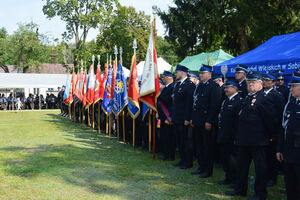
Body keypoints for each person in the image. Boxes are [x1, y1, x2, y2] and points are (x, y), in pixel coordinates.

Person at [226, 71, 275, 200]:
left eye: (253, 82)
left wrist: (271, 137)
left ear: (261, 84)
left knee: (260, 170)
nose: (250, 84)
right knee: (241, 167)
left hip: (259, 141)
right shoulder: (247, 98)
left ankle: (260, 193)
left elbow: (270, 120)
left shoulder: (264, 99)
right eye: (249, 82)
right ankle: (240, 189)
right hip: (244, 140)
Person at [190, 64, 222, 178]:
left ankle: (208, 170)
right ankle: (201, 167)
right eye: (200, 73)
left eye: (203, 73)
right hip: (198, 120)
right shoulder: (199, 86)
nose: (200, 75)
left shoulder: (214, 86)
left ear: (209, 74)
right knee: (199, 146)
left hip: (206, 121)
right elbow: (195, 104)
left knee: (207, 146)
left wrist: (209, 121)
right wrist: (193, 119)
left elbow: (215, 105)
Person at [277, 72, 300, 200]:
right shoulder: (290, 104)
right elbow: (283, 128)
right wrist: (280, 149)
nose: (290, 89)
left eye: (293, 86)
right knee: (290, 184)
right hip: (289, 151)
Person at [217, 78, 243, 186]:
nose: (225, 89)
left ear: (235, 88)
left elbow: (238, 122)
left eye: (228, 88)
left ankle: (234, 179)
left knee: (233, 159)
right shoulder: (226, 100)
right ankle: (228, 177)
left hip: (232, 136)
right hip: (224, 133)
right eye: (225, 87)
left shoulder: (239, 101)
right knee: (225, 158)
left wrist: (236, 137)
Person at [262, 71, 285, 187]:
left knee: (271, 156)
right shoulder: (260, 94)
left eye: (267, 80)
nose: (264, 82)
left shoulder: (277, 96)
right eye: (264, 80)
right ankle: (264, 176)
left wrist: (274, 134)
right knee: (263, 157)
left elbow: (279, 115)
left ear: (273, 83)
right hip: (261, 131)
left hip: (272, 132)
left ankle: (272, 177)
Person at [171, 64, 195, 169]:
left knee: (186, 141)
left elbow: (189, 103)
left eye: (177, 72)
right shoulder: (178, 85)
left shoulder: (189, 85)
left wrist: (187, 118)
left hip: (183, 118)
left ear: (183, 72)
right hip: (177, 117)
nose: (175, 74)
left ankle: (188, 161)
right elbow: (175, 103)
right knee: (179, 140)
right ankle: (182, 159)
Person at [158, 70, 174, 161]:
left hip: (168, 115)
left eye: (163, 77)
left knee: (169, 136)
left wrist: (159, 94)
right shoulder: (165, 88)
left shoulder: (172, 87)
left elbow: (167, 100)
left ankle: (170, 155)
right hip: (162, 115)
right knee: (164, 135)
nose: (162, 79)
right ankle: (165, 153)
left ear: (168, 77)